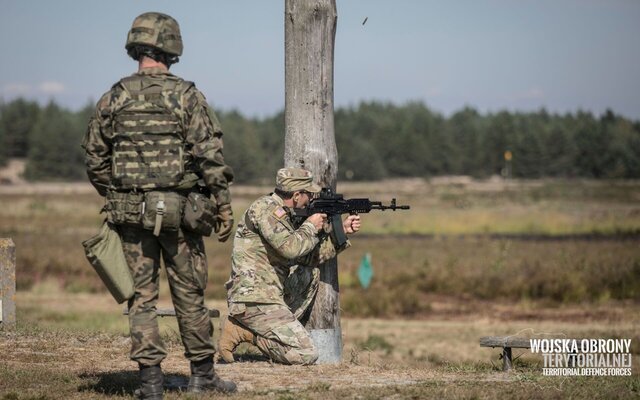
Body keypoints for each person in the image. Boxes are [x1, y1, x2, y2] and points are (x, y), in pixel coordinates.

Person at [83, 12, 236, 399]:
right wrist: (223, 206)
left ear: (135, 45)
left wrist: (121, 196)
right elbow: (210, 158)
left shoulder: (113, 96)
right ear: (172, 47)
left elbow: (95, 159)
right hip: (181, 216)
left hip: (130, 216)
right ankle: (202, 377)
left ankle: (150, 384)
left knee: (141, 298)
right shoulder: (186, 96)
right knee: (190, 294)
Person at [218, 167, 361, 365]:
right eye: (308, 194)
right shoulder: (266, 210)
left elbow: (306, 258)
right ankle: (250, 333)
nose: (311, 198)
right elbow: (291, 249)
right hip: (254, 299)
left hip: (269, 296)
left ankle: (254, 329)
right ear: (296, 196)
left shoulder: (284, 214)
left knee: (308, 274)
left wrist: (342, 232)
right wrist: (310, 225)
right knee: (306, 354)